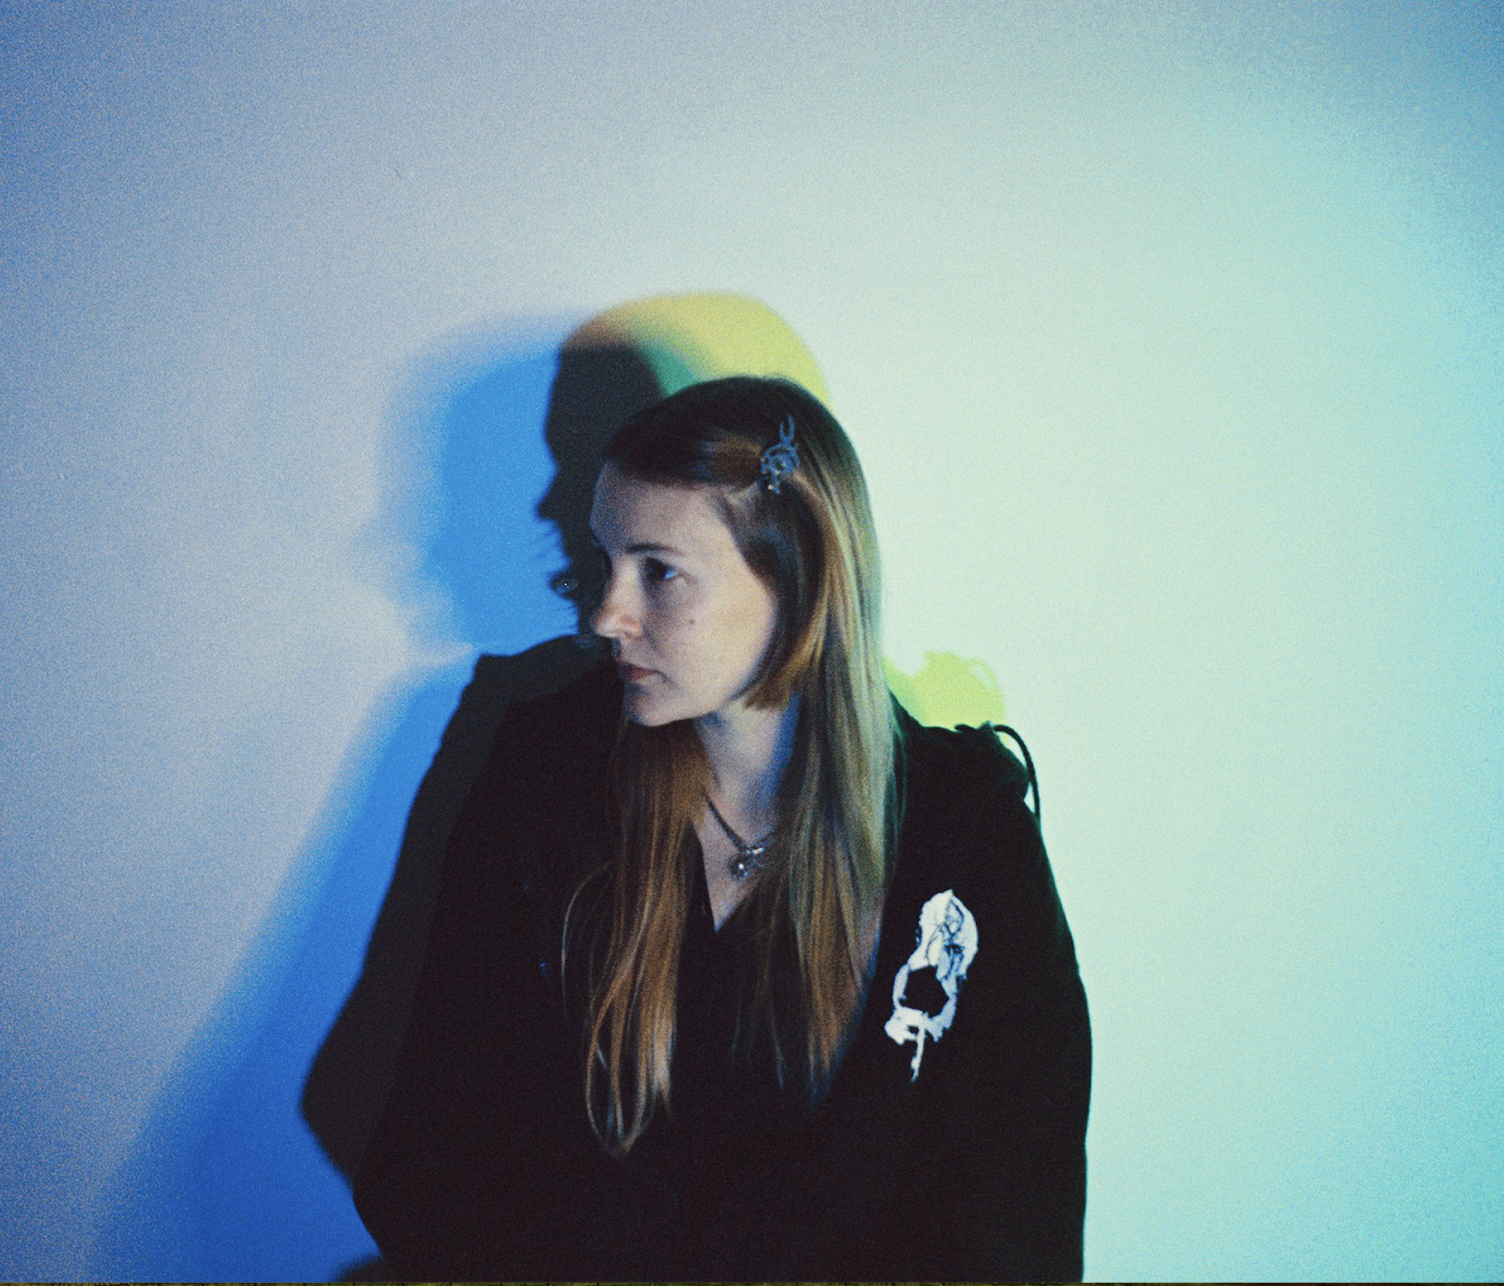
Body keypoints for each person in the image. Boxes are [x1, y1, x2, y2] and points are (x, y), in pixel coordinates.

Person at [353, 376, 1091, 1280]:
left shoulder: (964, 838)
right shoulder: (547, 775)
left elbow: (1019, 1216)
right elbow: (425, 1150)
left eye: (659, 571)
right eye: (605, 560)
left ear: (799, 581)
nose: (607, 615)